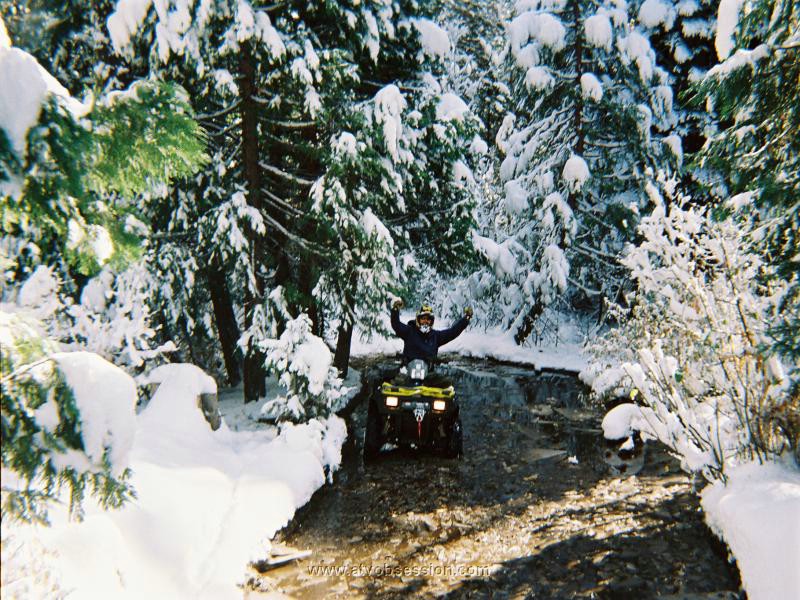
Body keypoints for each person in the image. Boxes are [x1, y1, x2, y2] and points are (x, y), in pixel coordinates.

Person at [390, 299, 473, 370]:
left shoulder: (436, 336)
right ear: (418, 320)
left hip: (429, 375)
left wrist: (466, 319)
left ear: (432, 321)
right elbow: (396, 324)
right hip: (407, 372)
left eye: (428, 319)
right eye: (423, 318)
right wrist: (395, 309)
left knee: (447, 384)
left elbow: (452, 332)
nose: (426, 321)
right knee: (392, 381)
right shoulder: (409, 331)